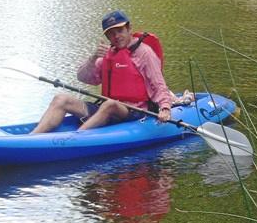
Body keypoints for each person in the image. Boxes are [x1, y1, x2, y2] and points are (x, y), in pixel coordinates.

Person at [31, 10, 174, 134]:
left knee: (109, 105)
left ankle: (76, 138)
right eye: (111, 34)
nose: (116, 36)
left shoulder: (144, 53)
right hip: (106, 108)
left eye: (120, 31)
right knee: (60, 99)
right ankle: (32, 138)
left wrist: (165, 108)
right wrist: (93, 58)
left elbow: (159, 85)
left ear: (129, 28)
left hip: (135, 112)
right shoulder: (108, 54)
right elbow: (83, 77)